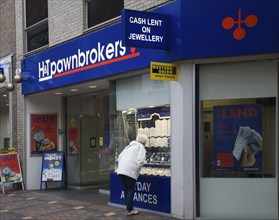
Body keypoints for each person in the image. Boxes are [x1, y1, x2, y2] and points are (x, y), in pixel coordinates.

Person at [116, 134, 148, 216]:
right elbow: (141, 160)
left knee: (126, 189)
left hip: (121, 171)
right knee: (130, 189)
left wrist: (121, 167)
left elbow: (119, 157)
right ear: (145, 141)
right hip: (130, 171)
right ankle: (130, 209)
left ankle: (128, 208)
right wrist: (137, 169)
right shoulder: (140, 147)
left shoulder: (128, 146)